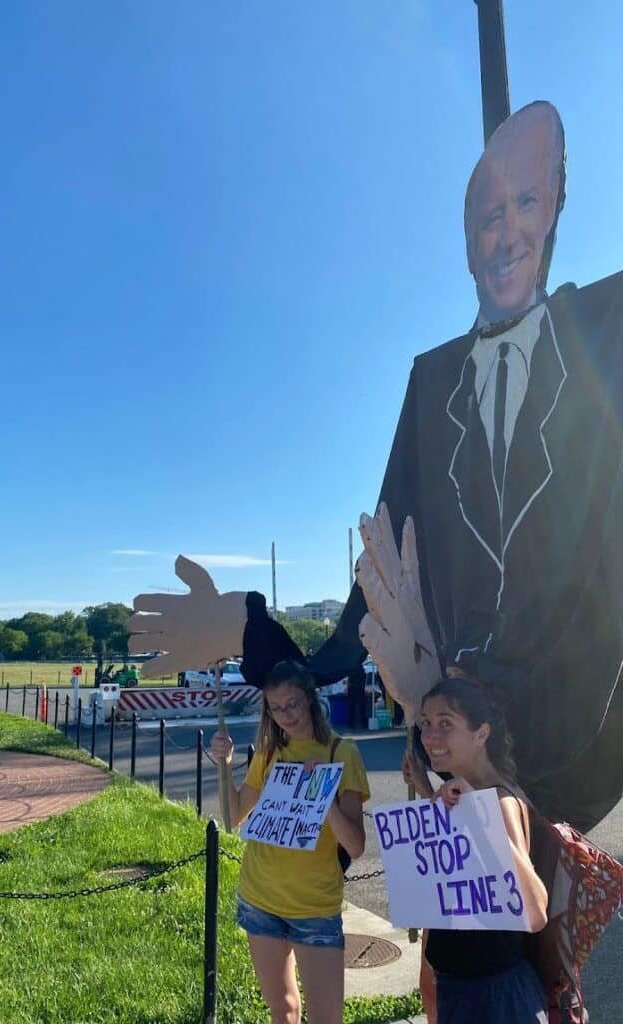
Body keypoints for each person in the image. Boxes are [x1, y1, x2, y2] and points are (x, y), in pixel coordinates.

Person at [129, 101, 623, 831]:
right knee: (463, 939)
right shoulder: (433, 380)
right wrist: (250, 632)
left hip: (577, 753)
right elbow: (378, 579)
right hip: (448, 751)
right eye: (489, 214)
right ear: (465, 241)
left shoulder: (605, 326)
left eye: (527, 202)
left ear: (555, 208)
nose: (508, 231)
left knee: (532, 935)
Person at [210, 660, 370, 1024]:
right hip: (258, 899)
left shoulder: (342, 754)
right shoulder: (268, 753)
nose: (286, 715)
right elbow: (232, 818)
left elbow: (357, 846)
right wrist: (224, 764)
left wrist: (324, 797)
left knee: (326, 1017)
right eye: (276, 708)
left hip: (314, 907)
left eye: (293, 704)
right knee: (282, 1010)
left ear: (310, 699)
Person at [402, 675, 548, 1024]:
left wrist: (479, 818)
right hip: (463, 990)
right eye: (426, 723)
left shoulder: (497, 801)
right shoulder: (467, 795)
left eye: (446, 724)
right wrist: (426, 792)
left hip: (495, 1000)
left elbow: (534, 910)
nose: (430, 737)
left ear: (481, 734)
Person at [346, 660, 369, 729]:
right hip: (360, 689)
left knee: (351, 707)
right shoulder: (361, 669)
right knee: (362, 707)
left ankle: (351, 723)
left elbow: (350, 680)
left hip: (352, 689)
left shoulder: (351, 668)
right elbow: (363, 679)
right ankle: (364, 723)